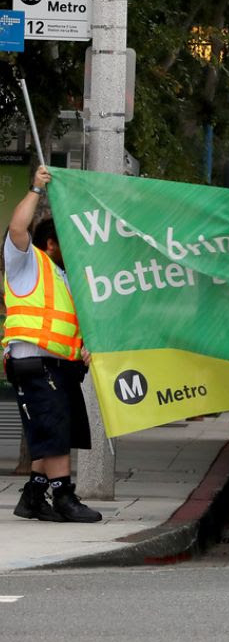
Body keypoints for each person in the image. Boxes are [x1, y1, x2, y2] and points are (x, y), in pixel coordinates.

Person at [4, 165, 101, 523]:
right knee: (55, 427)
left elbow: (72, 324)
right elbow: (17, 228)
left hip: (61, 366)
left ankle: (32, 496)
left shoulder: (66, 278)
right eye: (69, 243)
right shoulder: (27, 263)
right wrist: (35, 189)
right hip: (34, 363)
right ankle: (64, 496)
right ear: (49, 244)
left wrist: (85, 347)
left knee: (57, 429)